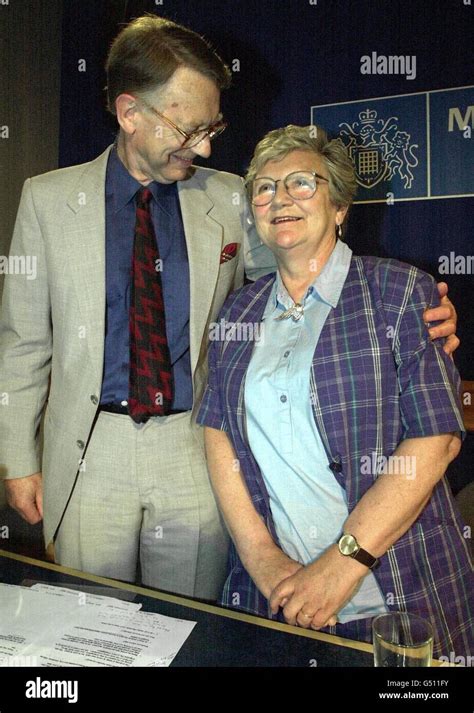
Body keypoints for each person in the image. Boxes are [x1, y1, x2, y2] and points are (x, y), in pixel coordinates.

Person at [0, 16, 457, 599]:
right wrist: (17, 459)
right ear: (130, 113)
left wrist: (421, 320)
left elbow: (300, 280)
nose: (208, 147)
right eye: (190, 130)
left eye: (211, 127)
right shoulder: (47, 199)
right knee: (90, 625)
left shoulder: (229, 197)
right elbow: (23, 342)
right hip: (90, 452)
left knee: (195, 622)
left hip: (197, 448)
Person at [198, 124, 472, 658]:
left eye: (302, 183)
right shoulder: (238, 311)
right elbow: (217, 433)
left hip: (399, 599)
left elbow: (438, 440)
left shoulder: (400, 292)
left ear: (341, 205)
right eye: (264, 188)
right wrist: (262, 560)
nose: (280, 198)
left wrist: (341, 565)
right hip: (279, 598)